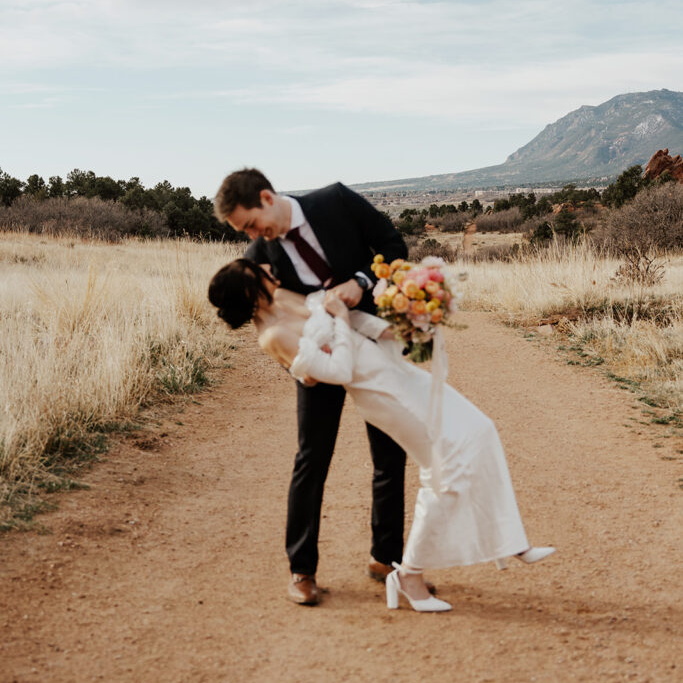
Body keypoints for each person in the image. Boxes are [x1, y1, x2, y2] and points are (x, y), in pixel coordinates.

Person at [208, 259, 556, 613]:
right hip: (380, 392)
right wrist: (340, 319)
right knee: (442, 469)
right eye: (259, 271)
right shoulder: (272, 335)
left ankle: (511, 539)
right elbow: (337, 369)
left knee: (481, 429)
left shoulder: (286, 297)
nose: (268, 267)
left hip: (393, 369)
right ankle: (410, 574)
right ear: (250, 289)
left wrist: (396, 329)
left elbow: (345, 316)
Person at [213, 169, 409, 606]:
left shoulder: (336, 201)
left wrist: (361, 283)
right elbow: (267, 322)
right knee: (312, 459)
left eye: (250, 223)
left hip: (375, 341)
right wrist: (300, 365)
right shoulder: (258, 255)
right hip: (319, 360)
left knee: (390, 451)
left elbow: (393, 245)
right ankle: (301, 570)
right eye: (244, 231)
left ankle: (387, 559)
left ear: (267, 197)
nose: (252, 235)